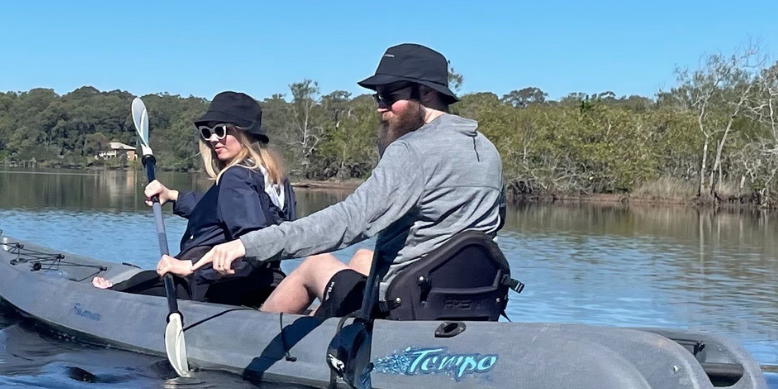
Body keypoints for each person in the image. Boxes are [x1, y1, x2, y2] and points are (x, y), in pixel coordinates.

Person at [197, 44, 503, 316]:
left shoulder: (411, 150)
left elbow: (349, 220)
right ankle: (322, 323)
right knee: (362, 257)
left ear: (426, 92)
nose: (380, 106)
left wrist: (247, 245)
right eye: (377, 97)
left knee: (316, 264)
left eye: (389, 95)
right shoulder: (487, 149)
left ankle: (248, 339)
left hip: (406, 303)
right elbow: (494, 222)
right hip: (467, 296)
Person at [93, 91, 296, 307]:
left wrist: (190, 266)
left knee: (132, 284)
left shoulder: (235, 176)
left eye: (221, 130)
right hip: (266, 282)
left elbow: (251, 243)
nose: (213, 139)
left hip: (213, 287)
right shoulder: (275, 178)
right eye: (207, 132)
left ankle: (105, 297)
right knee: (142, 279)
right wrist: (173, 196)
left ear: (245, 133)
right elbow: (221, 210)